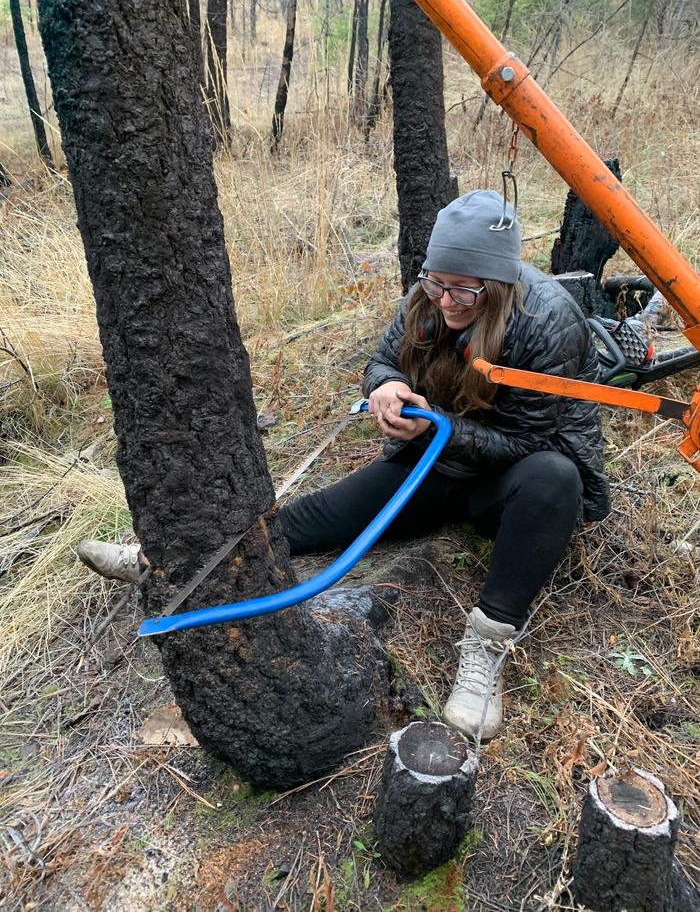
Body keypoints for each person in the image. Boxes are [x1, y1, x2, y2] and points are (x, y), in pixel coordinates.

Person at [78, 190, 610, 741]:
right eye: (437, 282)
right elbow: (382, 361)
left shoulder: (548, 321)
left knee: (554, 477)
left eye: (465, 290)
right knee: (318, 518)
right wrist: (387, 386)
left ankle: (485, 649)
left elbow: (526, 442)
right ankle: (166, 560)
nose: (447, 302)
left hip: (512, 485)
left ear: (498, 282)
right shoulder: (426, 300)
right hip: (439, 463)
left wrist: (437, 431)